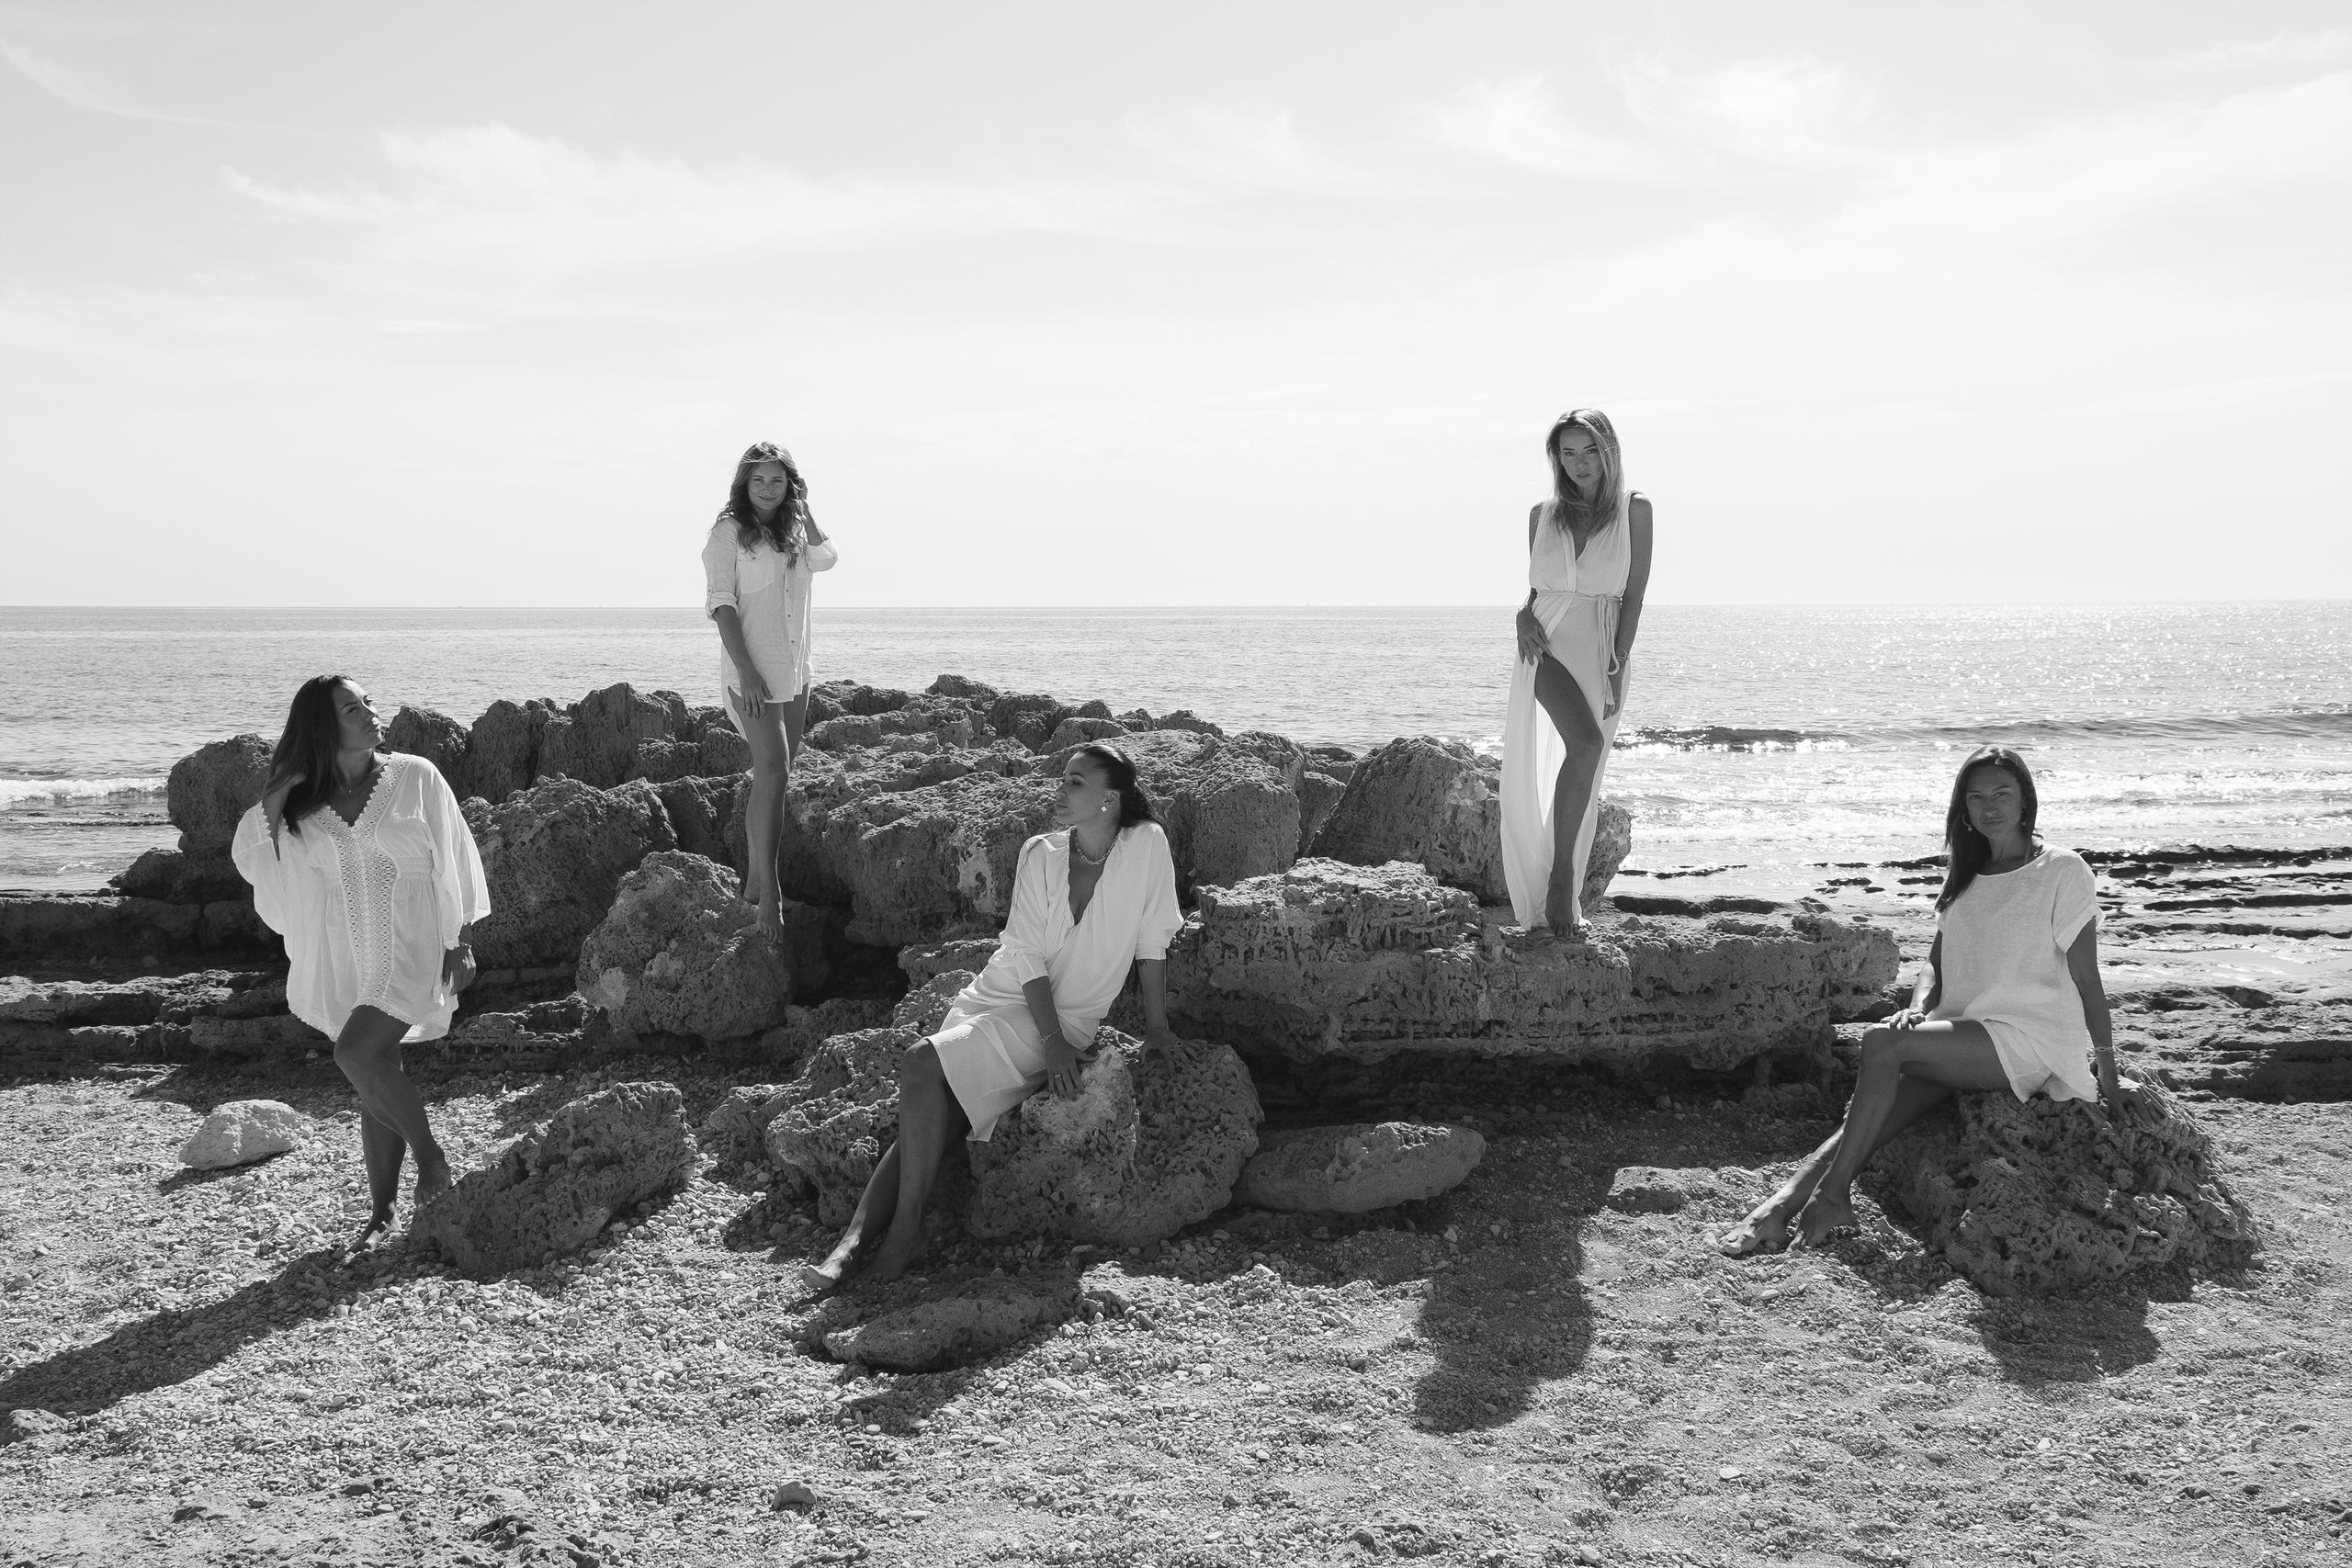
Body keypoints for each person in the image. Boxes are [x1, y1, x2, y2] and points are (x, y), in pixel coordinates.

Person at [1719, 746, 2143, 1255]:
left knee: (1881, 1044)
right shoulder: (1966, 874)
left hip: (2029, 1040)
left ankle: (1833, 1196)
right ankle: (1781, 1205)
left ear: (2026, 801)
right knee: (1874, 1116)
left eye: (2002, 795)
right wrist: (1918, 1008)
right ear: (1963, 808)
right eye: (1977, 797)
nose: (1990, 807)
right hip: (1962, 1030)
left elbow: (2087, 976)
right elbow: (1934, 964)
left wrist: (2109, 1072)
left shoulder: (2062, 869)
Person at [803, 742, 1186, 1289]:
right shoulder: (1040, 853)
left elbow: (1154, 939)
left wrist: (1156, 1029)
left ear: (1111, 798)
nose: (1060, 789)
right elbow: (1024, 953)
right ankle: (855, 1241)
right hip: (999, 997)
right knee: (940, 1105)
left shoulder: (1146, 845)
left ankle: (899, 1234)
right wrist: (1051, 1043)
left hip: (1067, 1018)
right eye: (1062, 778)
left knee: (920, 1066)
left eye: (1076, 782)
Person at [231, 675, 490, 1249]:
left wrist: (461, 936)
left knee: (354, 1054)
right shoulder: (306, 806)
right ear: (325, 728)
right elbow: (257, 854)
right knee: (376, 1072)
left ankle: (433, 1159)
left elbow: (456, 856)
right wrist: (280, 789)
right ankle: (383, 1210)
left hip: (413, 942)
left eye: (369, 700)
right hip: (349, 954)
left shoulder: (416, 776)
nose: (372, 712)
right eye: (353, 708)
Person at [1500, 409, 1654, 934]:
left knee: (1587, 759)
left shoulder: (1635, 511)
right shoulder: (1540, 515)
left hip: (1603, 646)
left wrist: (1618, 661)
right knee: (1586, 747)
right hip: (1542, 644)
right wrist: (1521, 614)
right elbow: (1539, 590)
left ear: (1608, 451)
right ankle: (1562, 877)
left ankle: (1562, 868)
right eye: (1568, 453)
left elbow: (1633, 594)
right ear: (1556, 459)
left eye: (1589, 451)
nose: (1579, 463)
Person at [701, 440, 839, 944]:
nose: (767, 488)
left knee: (775, 778)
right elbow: (721, 605)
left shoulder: (797, 534)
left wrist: (805, 510)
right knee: (774, 771)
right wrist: (748, 673)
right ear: (744, 484)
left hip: (795, 672)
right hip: (752, 673)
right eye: (758, 479)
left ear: (790, 485)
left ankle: (755, 884)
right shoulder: (727, 533)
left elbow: (827, 558)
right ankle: (771, 897)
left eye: (777, 480)